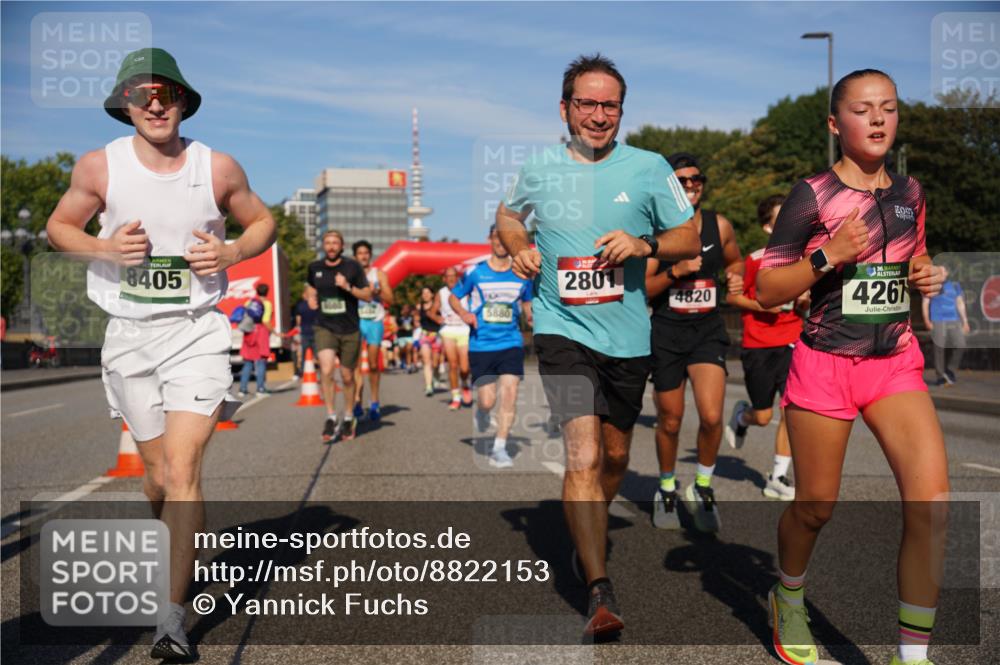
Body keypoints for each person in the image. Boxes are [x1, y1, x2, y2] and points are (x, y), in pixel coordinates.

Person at [45, 47, 276, 659]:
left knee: (183, 471)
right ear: (126, 104)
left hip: (198, 329)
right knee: (154, 479)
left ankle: (171, 619)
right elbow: (58, 228)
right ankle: (172, 549)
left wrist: (231, 254)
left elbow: (263, 223)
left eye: (166, 93)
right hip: (129, 335)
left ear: (182, 101)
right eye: (143, 94)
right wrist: (103, 248)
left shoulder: (216, 166)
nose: (155, 103)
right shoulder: (100, 167)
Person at [496, 54, 699, 638]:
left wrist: (644, 243)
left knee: (613, 458)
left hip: (629, 336)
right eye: (587, 103)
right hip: (562, 330)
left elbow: (688, 236)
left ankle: (589, 530)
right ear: (565, 109)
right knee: (582, 456)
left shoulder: (649, 167)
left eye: (610, 104)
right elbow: (508, 218)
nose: (599, 114)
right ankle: (598, 588)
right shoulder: (537, 168)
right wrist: (518, 245)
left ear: (621, 111)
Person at [756, 69, 947, 665]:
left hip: (893, 361)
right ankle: (788, 595)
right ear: (837, 125)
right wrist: (828, 254)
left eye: (888, 107)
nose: (878, 119)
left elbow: (914, 258)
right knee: (816, 507)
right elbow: (767, 289)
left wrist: (926, 275)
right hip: (825, 362)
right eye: (863, 110)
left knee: (932, 503)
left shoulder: (910, 194)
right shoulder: (811, 195)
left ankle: (910, 657)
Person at [644, 152, 744, 533]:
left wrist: (735, 277)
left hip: (706, 331)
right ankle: (667, 487)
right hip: (667, 332)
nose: (690, 186)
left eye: (696, 179)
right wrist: (675, 271)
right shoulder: (657, 231)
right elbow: (645, 289)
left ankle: (702, 485)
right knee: (670, 420)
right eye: (681, 181)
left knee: (713, 415)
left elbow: (735, 261)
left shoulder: (719, 226)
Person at [724, 194, 806, 501]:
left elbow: (805, 299)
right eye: (780, 216)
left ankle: (778, 476)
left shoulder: (804, 258)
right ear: (768, 226)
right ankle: (743, 417)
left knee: (790, 411)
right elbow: (733, 299)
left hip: (792, 342)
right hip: (758, 346)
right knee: (763, 416)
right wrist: (763, 306)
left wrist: (804, 301)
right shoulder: (755, 260)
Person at [449, 225, 533, 468]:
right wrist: (464, 314)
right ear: (490, 239)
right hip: (481, 344)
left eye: (504, 238)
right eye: (496, 237)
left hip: (510, 343)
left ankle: (499, 447)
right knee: (487, 401)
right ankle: (482, 412)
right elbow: (454, 296)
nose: (500, 242)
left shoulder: (522, 275)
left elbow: (527, 304)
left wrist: (531, 316)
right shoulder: (476, 272)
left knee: (510, 393)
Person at [308, 230, 372, 443]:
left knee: (346, 376)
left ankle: (348, 416)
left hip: (350, 328)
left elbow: (368, 294)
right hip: (324, 326)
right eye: (328, 242)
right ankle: (330, 416)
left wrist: (347, 287)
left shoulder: (352, 267)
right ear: (323, 246)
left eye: (336, 243)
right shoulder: (315, 268)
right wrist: (310, 297)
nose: (332, 246)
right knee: (326, 369)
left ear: (342, 246)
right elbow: (309, 287)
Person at [352, 240, 393, 422]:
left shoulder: (379, 274)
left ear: (370, 255)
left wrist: (377, 292)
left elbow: (391, 299)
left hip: (374, 322)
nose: (363, 256)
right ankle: (357, 401)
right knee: (355, 365)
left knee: (374, 364)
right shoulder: (351, 274)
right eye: (360, 253)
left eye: (366, 253)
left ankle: (374, 402)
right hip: (355, 320)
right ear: (355, 256)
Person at [921, 262, 969, 386]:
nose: (941, 274)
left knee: (960, 345)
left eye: (943, 271)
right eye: (939, 271)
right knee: (939, 348)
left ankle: (950, 370)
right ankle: (940, 376)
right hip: (937, 320)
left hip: (954, 319)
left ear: (947, 273)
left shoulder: (955, 285)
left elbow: (960, 303)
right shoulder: (931, 285)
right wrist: (927, 320)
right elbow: (925, 303)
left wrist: (965, 321)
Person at [439, 266, 473, 410]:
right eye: (448, 275)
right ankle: (455, 396)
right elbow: (432, 312)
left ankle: (465, 384)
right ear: (444, 279)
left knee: (464, 368)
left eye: (454, 275)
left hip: (464, 330)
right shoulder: (441, 293)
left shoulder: (466, 291)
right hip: (448, 331)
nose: (452, 278)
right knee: (453, 365)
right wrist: (438, 319)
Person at [238, 283, 274, 397]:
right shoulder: (267, 304)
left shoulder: (249, 302)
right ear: (267, 292)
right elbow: (265, 320)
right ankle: (260, 389)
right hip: (261, 332)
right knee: (261, 361)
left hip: (249, 332)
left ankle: (242, 389)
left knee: (248, 361)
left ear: (257, 291)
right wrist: (274, 332)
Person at [415, 285, 443, 396]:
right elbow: (417, 319)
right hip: (425, 336)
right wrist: (417, 322)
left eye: (427, 292)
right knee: (427, 362)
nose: (425, 295)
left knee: (435, 363)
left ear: (432, 294)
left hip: (437, 336)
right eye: (423, 293)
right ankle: (428, 386)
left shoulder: (438, 306)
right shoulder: (419, 307)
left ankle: (436, 377)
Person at [292, 284, 319, 379]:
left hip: (304, 333)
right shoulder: (316, 304)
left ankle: (304, 373)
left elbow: (298, 321)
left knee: (304, 355)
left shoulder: (300, 306)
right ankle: (319, 372)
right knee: (317, 355)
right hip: (316, 332)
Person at [395, 304, 416, 372]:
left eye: (407, 308)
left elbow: (414, 325)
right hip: (401, 336)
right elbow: (396, 327)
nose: (406, 310)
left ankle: (409, 366)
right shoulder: (399, 317)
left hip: (409, 335)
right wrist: (402, 327)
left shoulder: (411, 317)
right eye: (404, 308)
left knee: (409, 349)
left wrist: (412, 328)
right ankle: (402, 360)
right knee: (403, 350)